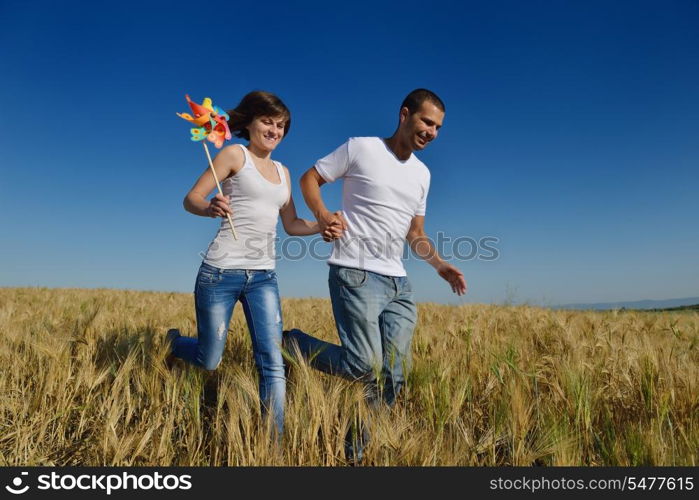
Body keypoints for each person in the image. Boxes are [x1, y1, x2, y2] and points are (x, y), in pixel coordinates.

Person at [284, 88, 467, 462]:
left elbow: (415, 234)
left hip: (398, 282)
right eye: (426, 121)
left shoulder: (422, 174)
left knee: (395, 376)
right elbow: (309, 180)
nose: (432, 131)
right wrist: (323, 216)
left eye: (438, 127)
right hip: (355, 273)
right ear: (405, 114)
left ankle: (355, 453)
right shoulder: (361, 148)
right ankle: (292, 343)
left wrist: (440, 265)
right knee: (364, 366)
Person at [166, 90, 339, 438]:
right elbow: (191, 199)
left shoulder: (284, 172)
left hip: (263, 277)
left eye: (281, 126)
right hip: (220, 272)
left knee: (272, 362)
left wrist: (322, 225)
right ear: (251, 123)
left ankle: (270, 444)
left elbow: (291, 225)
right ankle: (174, 344)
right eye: (268, 122)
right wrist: (210, 207)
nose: (274, 130)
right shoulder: (234, 154)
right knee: (209, 359)